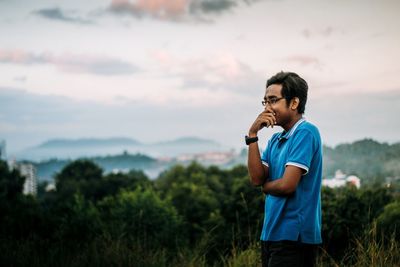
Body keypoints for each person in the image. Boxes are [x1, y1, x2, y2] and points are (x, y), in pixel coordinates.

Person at [246, 71, 322, 267]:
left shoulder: (305, 132)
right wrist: (253, 134)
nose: (268, 108)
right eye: (265, 102)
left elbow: (288, 185)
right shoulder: (275, 139)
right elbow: (256, 179)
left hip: (294, 237)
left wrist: (267, 187)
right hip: (271, 234)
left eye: (273, 100)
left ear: (294, 103)